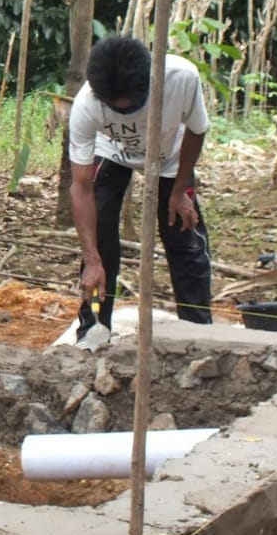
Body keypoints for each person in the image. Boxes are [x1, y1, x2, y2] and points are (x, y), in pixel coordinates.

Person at [68, 34, 214, 339]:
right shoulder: (87, 105)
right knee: (100, 233)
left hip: (170, 156)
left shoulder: (181, 78)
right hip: (113, 152)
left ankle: (198, 333)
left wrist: (180, 191)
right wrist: (91, 258)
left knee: (184, 235)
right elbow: (81, 188)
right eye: (116, 110)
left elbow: (197, 131)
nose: (125, 114)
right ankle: (93, 330)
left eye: (131, 107)